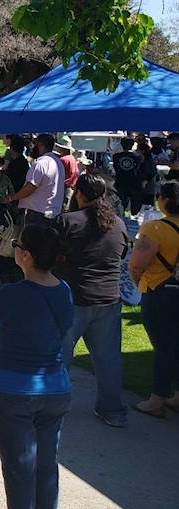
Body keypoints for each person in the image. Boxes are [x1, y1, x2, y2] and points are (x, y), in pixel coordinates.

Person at [0, 223, 73, 509]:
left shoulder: (12, 294)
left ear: (26, 255)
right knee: (46, 465)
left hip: (11, 390)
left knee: (19, 467)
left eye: (16, 245)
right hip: (55, 388)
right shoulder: (64, 290)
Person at [54, 173, 128, 427]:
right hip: (108, 299)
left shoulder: (66, 221)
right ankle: (113, 410)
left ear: (79, 194)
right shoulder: (117, 224)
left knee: (59, 357)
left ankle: (54, 407)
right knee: (108, 361)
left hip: (73, 297)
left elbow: (50, 256)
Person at [126, 179, 179, 418]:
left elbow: (136, 264)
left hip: (160, 290)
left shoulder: (155, 228)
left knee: (163, 347)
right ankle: (176, 396)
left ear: (165, 200)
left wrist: (139, 283)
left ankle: (156, 399)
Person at [6, 133, 65, 221]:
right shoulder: (58, 162)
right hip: (53, 212)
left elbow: (30, 187)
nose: (32, 147)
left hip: (37, 213)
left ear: (40, 144)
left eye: (34, 143)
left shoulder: (40, 163)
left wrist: (11, 198)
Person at [54, 136, 79, 211]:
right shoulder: (72, 158)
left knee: (61, 210)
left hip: (63, 188)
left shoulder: (63, 160)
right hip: (71, 188)